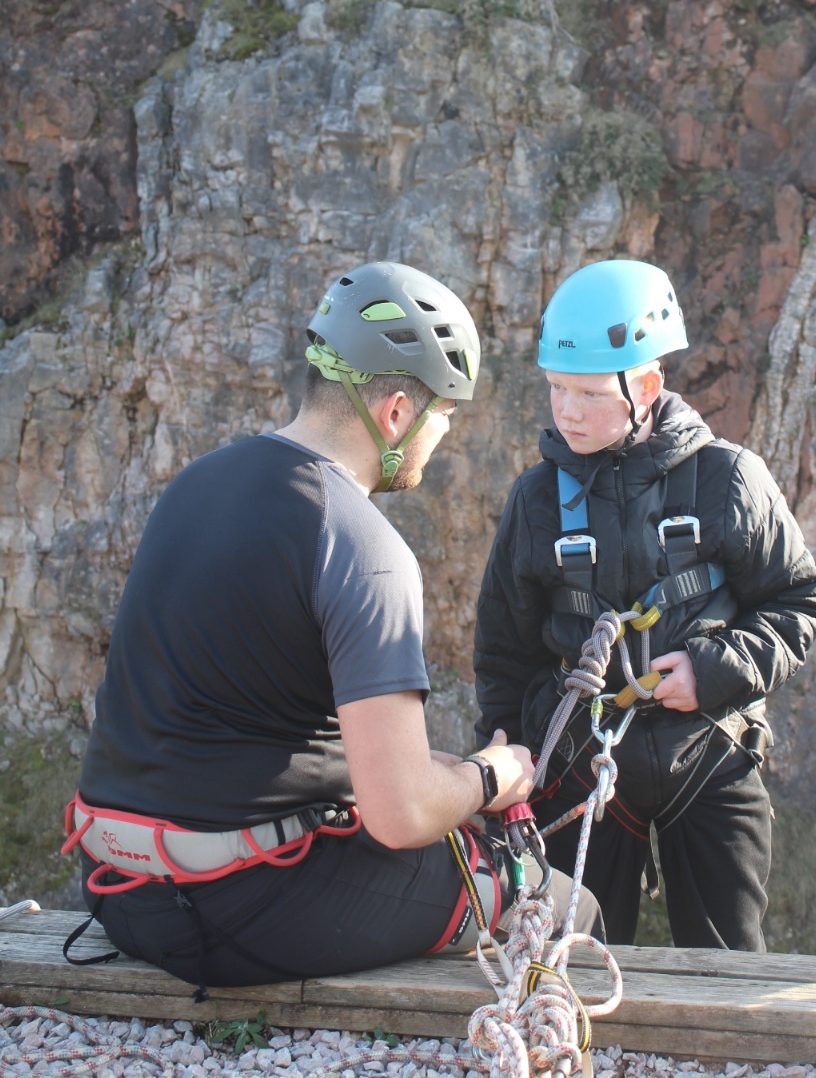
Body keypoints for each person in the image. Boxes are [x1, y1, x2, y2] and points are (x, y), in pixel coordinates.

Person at [66, 261, 601, 995]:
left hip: (115, 886)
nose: (444, 434)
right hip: (231, 909)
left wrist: (451, 771)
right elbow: (401, 813)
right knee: (568, 904)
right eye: (445, 414)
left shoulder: (196, 484)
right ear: (397, 412)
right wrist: (491, 776)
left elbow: (262, 732)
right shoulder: (361, 545)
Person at [474, 259, 816, 949]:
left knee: (728, 968)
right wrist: (507, 771)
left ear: (646, 387)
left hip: (709, 752)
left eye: (587, 392)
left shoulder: (729, 480)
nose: (567, 411)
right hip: (579, 760)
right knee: (572, 963)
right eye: (555, 388)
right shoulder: (537, 501)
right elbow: (504, 652)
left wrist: (712, 671)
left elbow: (799, 603)